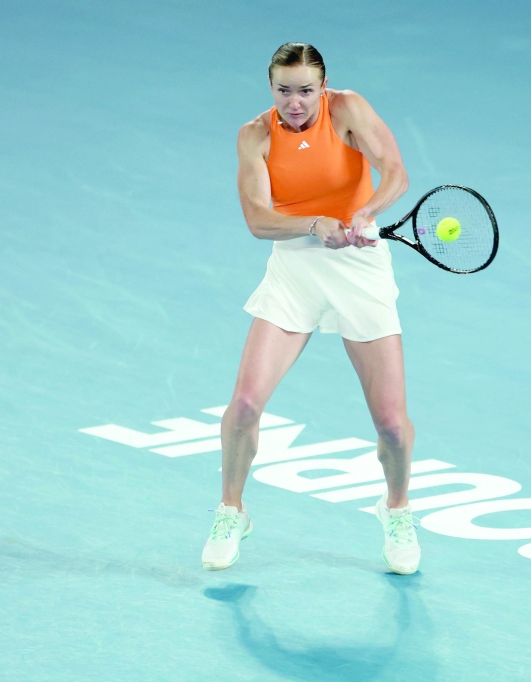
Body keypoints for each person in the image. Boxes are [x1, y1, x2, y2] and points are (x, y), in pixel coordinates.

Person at [200, 42, 419, 574]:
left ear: (323, 87)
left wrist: (366, 210)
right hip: (294, 268)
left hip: (360, 269)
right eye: (283, 90)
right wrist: (313, 224)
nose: (294, 102)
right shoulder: (254, 136)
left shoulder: (348, 110)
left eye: (305, 90)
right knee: (246, 404)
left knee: (390, 423)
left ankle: (396, 509)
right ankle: (232, 508)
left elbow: (395, 170)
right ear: (270, 88)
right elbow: (257, 218)